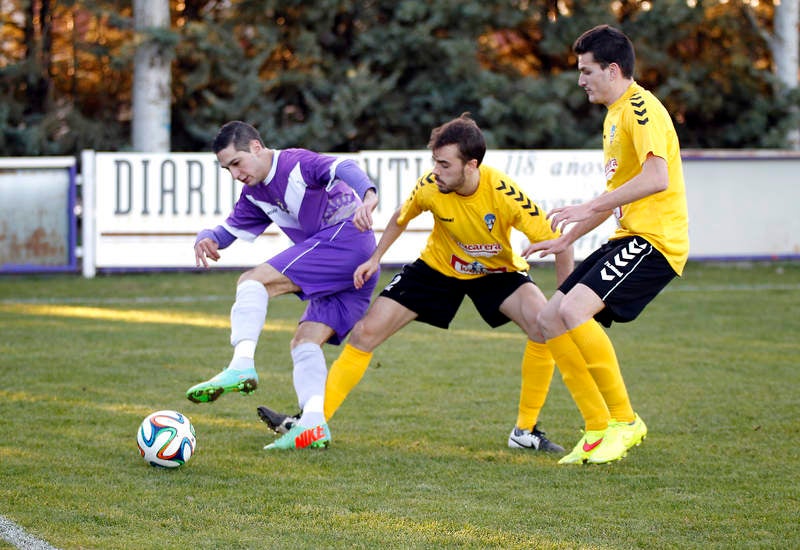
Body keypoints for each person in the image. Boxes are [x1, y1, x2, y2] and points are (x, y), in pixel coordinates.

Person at [260, 113, 574, 452]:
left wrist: (563, 296)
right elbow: (400, 217)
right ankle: (312, 423)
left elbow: (561, 242)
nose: (436, 171)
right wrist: (375, 257)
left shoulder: (506, 195)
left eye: (444, 164)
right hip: (436, 268)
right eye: (434, 162)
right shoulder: (430, 185)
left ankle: (525, 431)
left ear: (471, 165)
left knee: (543, 327)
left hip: (494, 271)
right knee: (365, 333)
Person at [523, 25, 689, 465]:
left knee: (574, 311)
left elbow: (657, 179)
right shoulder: (614, 114)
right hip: (629, 236)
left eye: (586, 71)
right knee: (549, 318)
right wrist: (566, 237)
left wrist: (588, 205)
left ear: (612, 70)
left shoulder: (640, 108)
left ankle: (625, 420)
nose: (580, 80)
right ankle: (597, 428)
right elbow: (619, 193)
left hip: (656, 241)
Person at [187, 120, 380, 451]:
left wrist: (369, 196)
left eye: (236, 162)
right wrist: (207, 236)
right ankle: (314, 424)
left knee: (252, 282)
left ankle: (241, 365)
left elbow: (343, 166)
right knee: (305, 342)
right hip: (354, 268)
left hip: (346, 241)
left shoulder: (295, 164)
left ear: (257, 148)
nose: (234, 173)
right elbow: (230, 232)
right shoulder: (254, 194)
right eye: (226, 168)